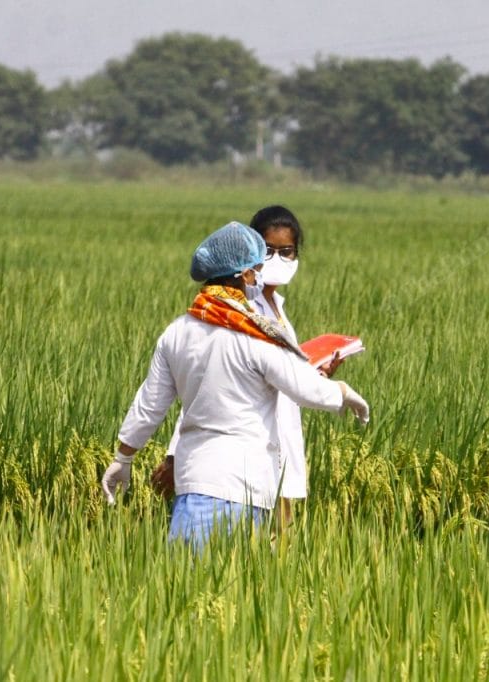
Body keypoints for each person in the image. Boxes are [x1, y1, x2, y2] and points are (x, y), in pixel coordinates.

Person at [101, 221, 369, 550]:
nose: (260, 277)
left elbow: (149, 404)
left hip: (194, 483)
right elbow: (304, 388)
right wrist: (342, 393)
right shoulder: (254, 336)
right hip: (246, 485)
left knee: (187, 590)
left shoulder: (177, 331)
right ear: (244, 276)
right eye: (257, 269)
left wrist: (124, 457)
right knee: (232, 590)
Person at [153, 207, 343, 526]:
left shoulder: (277, 312)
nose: (277, 259)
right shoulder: (236, 312)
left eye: (287, 252)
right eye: (268, 251)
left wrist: (317, 378)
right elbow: (207, 385)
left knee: (268, 563)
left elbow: (283, 380)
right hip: (235, 465)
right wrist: (174, 455)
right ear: (251, 254)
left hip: (276, 459)